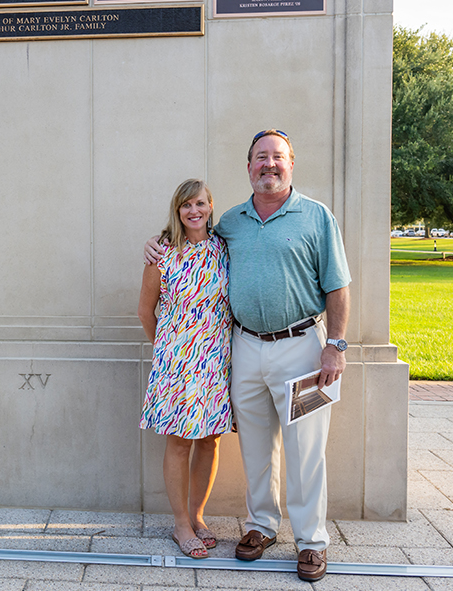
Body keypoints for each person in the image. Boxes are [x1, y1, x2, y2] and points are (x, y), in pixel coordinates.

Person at [144, 130, 350, 581]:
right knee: (256, 446)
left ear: (291, 163)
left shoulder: (316, 217)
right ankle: (261, 527)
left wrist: (335, 347)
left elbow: (338, 285)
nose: (269, 165)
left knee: (306, 449)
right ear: (249, 166)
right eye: (260, 157)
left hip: (304, 351)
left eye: (277, 157)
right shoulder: (231, 221)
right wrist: (156, 244)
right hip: (246, 349)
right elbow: (188, 241)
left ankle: (312, 542)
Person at [138, 178, 233, 560]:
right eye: (185, 205)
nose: (193, 211)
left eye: (200, 204)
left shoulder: (224, 249)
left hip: (215, 361)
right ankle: (180, 524)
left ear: (210, 206)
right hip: (175, 363)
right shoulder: (161, 253)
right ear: (177, 211)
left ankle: (198, 515)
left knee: (210, 439)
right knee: (178, 442)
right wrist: (165, 350)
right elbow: (146, 311)